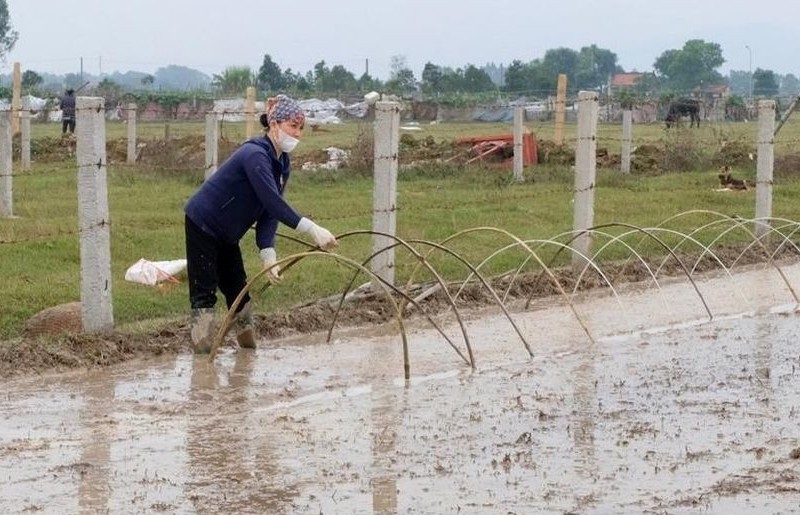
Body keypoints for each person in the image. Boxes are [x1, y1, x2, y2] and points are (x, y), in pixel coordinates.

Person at [183, 94, 338, 354]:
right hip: (204, 223)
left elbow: (269, 210)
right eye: (292, 126)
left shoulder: (282, 163)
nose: (297, 134)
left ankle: (247, 351)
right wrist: (311, 229)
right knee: (204, 291)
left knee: (239, 291)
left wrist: (268, 254)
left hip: (228, 233)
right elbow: (274, 202)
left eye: (300, 128)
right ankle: (202, 359)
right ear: (274, 124)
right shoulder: (254, 154)